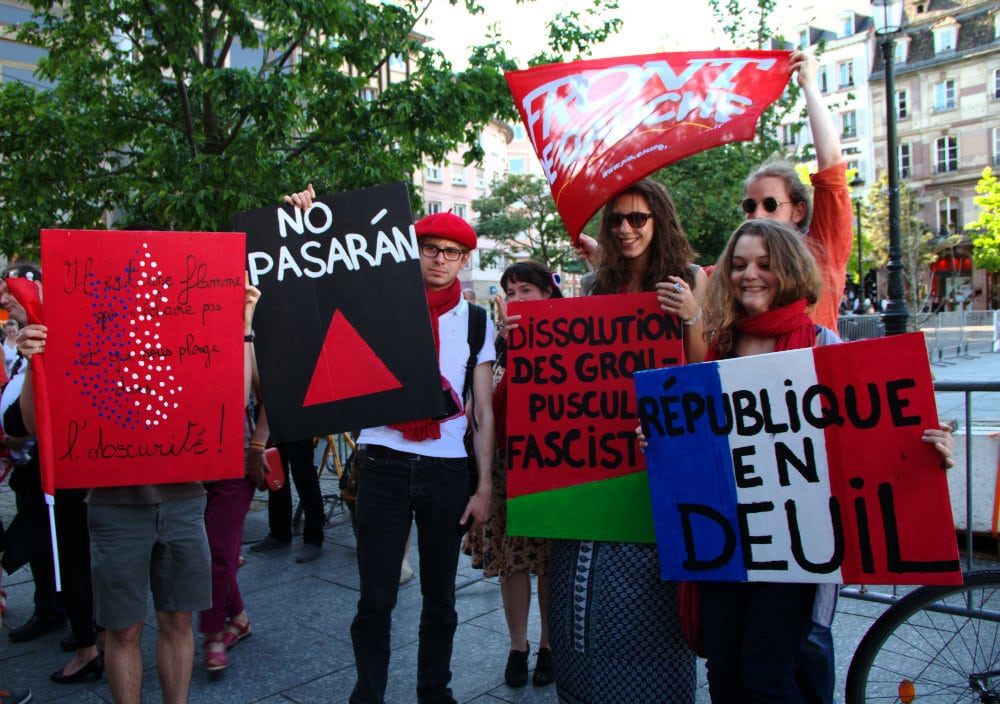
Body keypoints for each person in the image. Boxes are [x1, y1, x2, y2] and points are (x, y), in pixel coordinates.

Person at [692, 218, 955, 703]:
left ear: (789, 271)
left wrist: (926, 443)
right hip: (728, 539)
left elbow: (871, 430)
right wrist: (663, 442)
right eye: (739, 264)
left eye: (765, 265)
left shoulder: (823, 347)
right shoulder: (719, 348)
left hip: (796, 546)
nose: (749, 275)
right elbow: (700, 442)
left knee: (767, 678)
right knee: (723, 674)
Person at [283, 184, 495, 704]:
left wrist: (484, 486)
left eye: (452, 253)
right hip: (382, 463)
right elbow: (328, 281)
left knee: (441, 598)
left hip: (446, 472)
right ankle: (368, 691)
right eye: (431, 249)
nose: (440, 260)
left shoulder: (475, 321)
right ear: (413, 251)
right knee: (375, 598)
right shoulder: (379, 304)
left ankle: (434, 689)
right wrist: (312, 221)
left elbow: (483, 412)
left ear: (465, 260)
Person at [16, 269, 261, 704]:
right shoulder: (86, 337)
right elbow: (36, 426)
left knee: (179, 620)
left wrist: (243, 326)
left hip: (184, 498)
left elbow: (232, 400)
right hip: (112, 504)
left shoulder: (185, 333)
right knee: (123, 628)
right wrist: (37, 358)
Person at [550, 177, 704, 704]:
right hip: (597, 460)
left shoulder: (688, 280)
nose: (626, 228)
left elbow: (702, 368)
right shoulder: (596, 288)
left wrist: (692, 317)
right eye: (616, 219)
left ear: (659, 222)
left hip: (660, 458)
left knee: (652, 591)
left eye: (638, 218)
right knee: (585, 589)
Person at [1, 264, 101, 684]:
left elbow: (21, 422)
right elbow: (18, 421)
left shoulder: (68, 334)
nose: (9, 297)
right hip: (34, 471)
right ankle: (61, 617)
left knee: (74, 559)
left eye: (19, 288)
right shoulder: (22, 345)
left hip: (69, 469)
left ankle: (90, 641)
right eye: (7, 290)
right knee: (53, 556)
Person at [463, 261, 561, 688]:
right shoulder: (496, 344)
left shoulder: (566, 337)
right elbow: (477, 411)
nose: (519, 299)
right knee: (514, 562)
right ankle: (518, 646)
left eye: (527, 290)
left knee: (550, 563)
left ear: (547, 296)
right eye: (512, 291)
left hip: (552, 466)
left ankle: (549, 646)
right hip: (506, 467)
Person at [200, 283, 269, 671]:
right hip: (187, 466)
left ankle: (212, 635)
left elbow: (269, 396)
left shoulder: (244, 337)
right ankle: (238, 618)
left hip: (233, 465)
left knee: (219, 551)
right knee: (212, 551)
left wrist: (256, 447)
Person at [248, 436, 325, 564]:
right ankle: (279, 533)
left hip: (298, 422)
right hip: (273, 421)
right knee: (274, 468)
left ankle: (314, 538)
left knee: (304, 473)